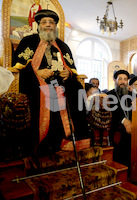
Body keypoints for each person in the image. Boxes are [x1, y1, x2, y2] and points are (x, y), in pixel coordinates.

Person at [12, 9, 90, 157]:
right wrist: (37, 73)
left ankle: (72, 137)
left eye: (51, 22)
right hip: (35, 82)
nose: (48, 25)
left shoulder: (63, 46)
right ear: (38, 25)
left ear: (55, 26)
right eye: (44, 22)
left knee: (77, 90)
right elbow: (17, 69)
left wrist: (69, 73)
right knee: (50, 94)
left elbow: (72, 69)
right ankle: (47, 142)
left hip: (60, 82)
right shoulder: (28, 42)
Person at [106, 70, 132, 167]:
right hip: (117, 128)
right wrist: (123, 120)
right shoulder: (110, 95)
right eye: (120, 79)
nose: (123, 82)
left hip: (132, 129)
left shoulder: (131, 95)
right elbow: (112, 111)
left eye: (125, 79)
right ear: (115, 80)